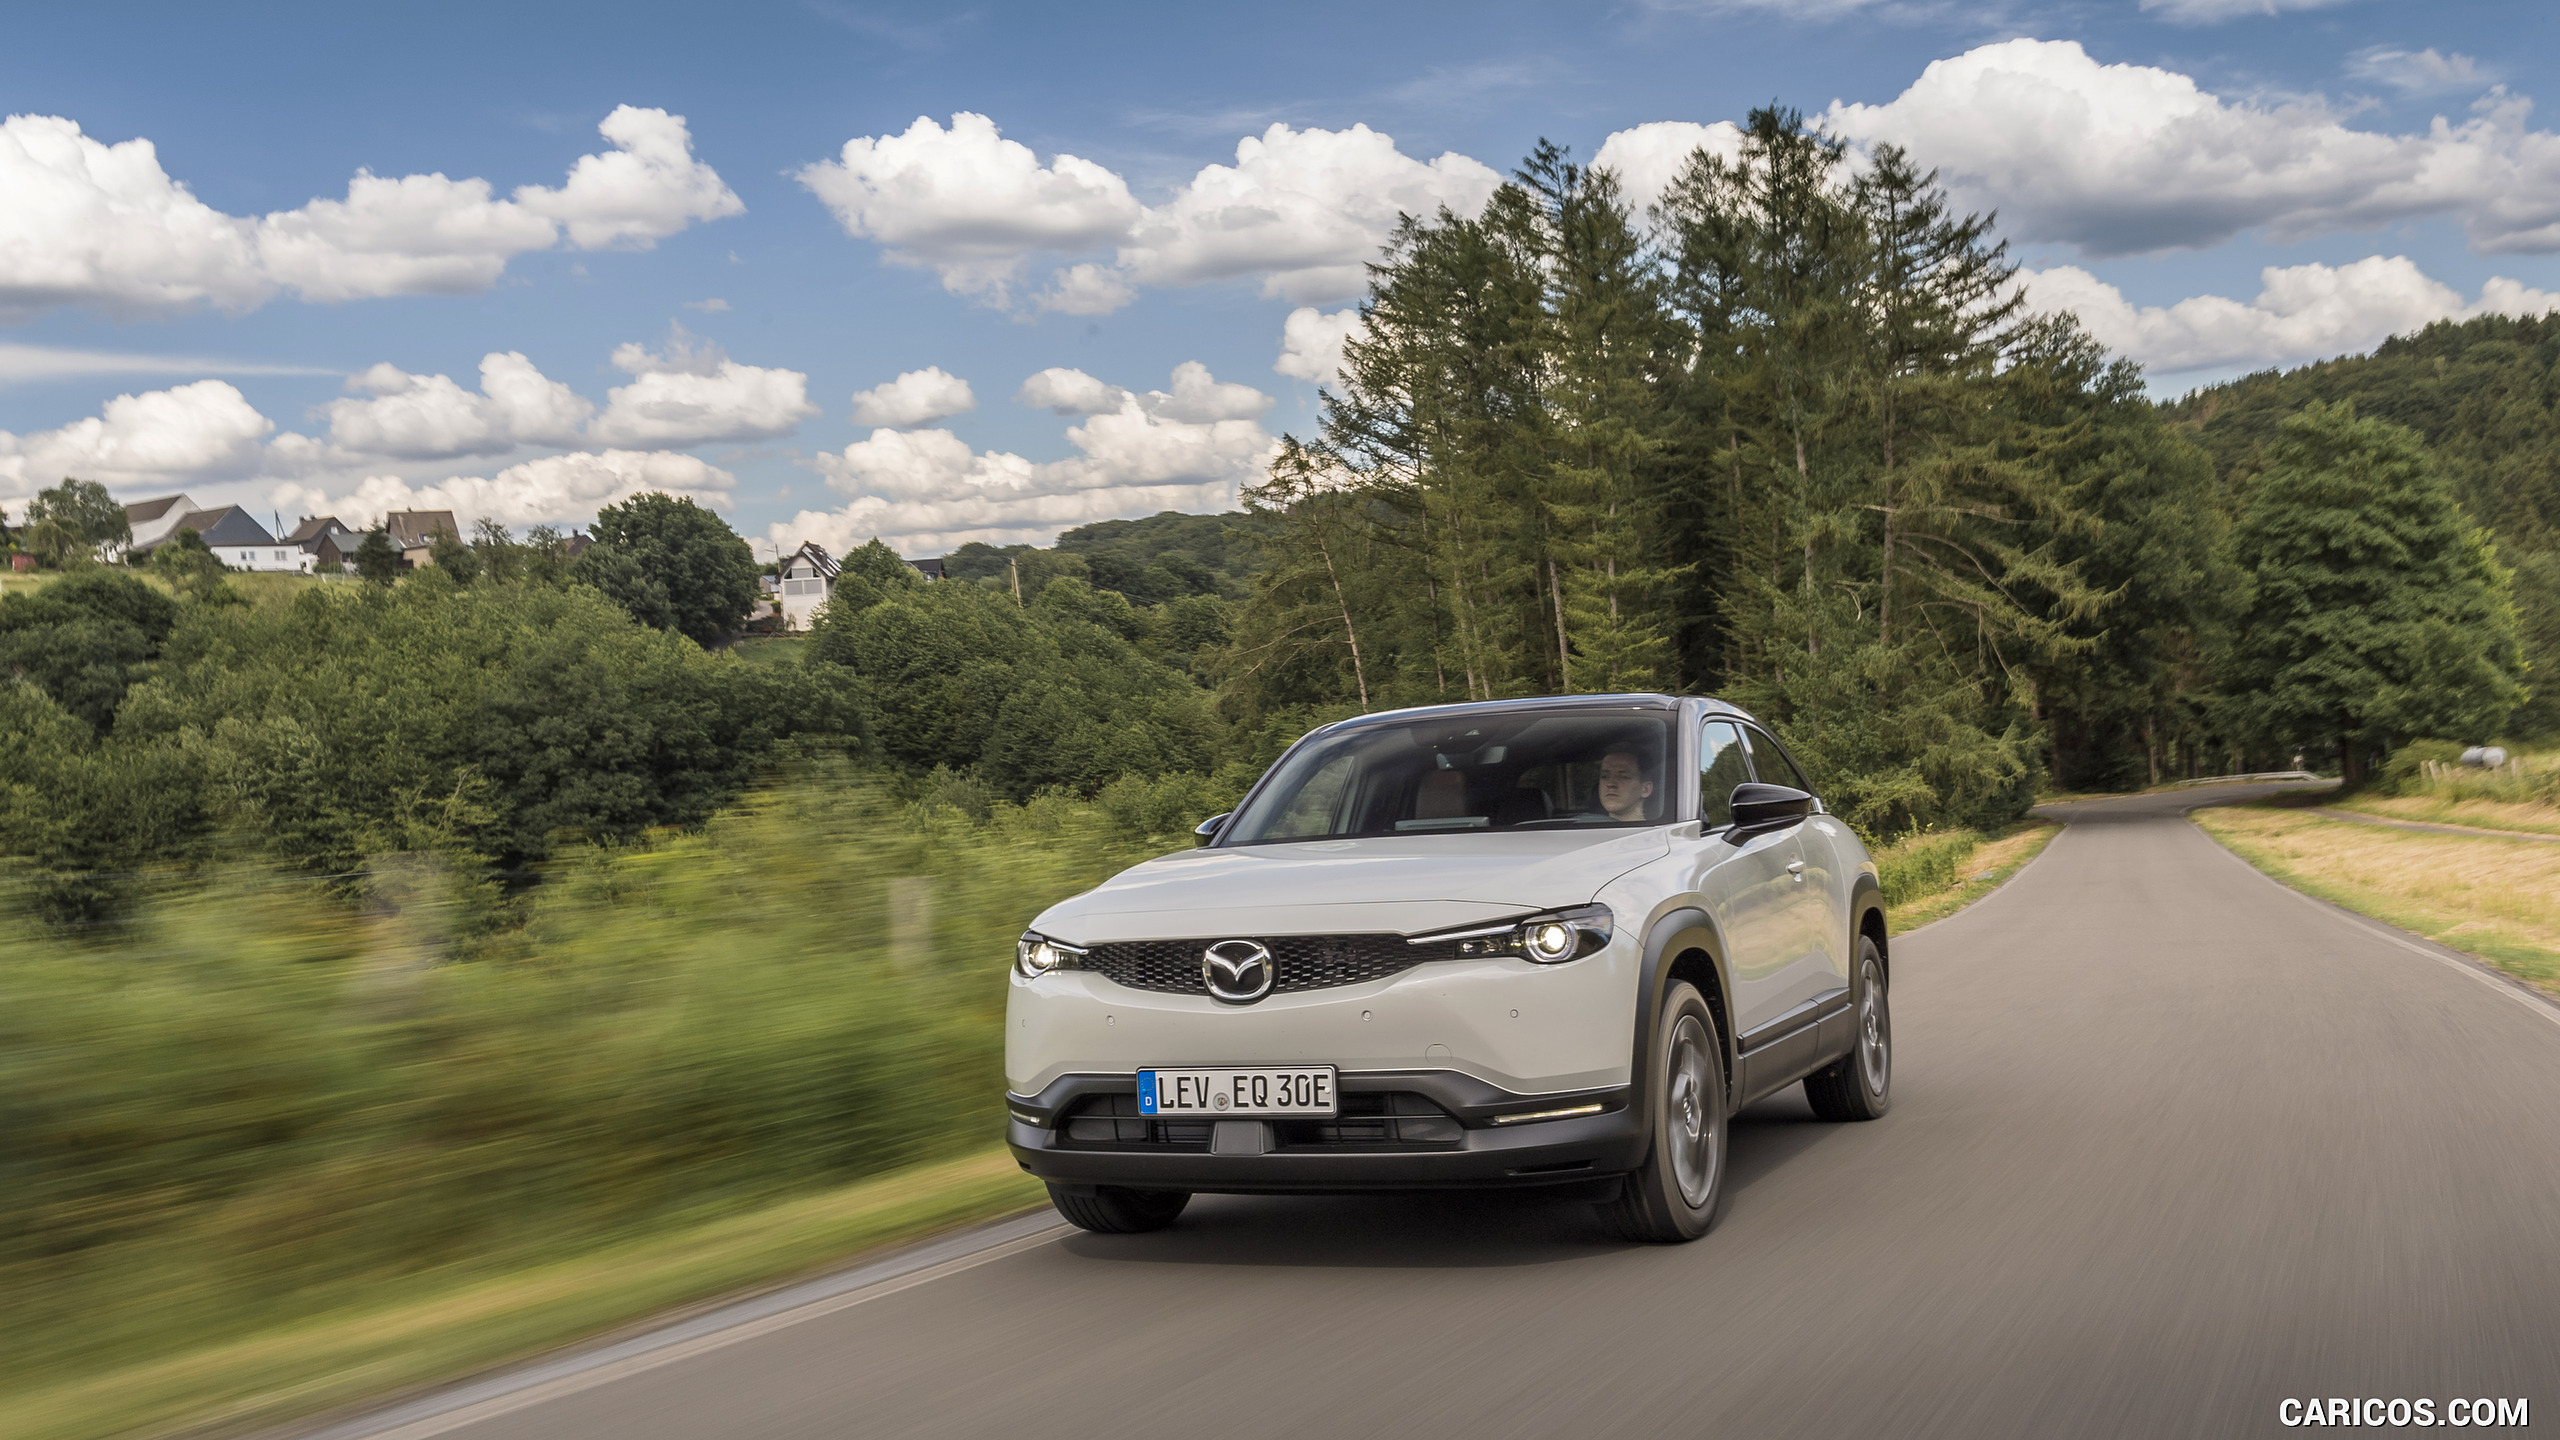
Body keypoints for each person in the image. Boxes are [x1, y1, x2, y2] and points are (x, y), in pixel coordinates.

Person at [1596, 749, 1654, 823]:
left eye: (1623, 777)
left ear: (1645, 789)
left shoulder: (1657, 832)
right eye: (1604, 776)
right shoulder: (1586, 827)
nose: (1610, 784)